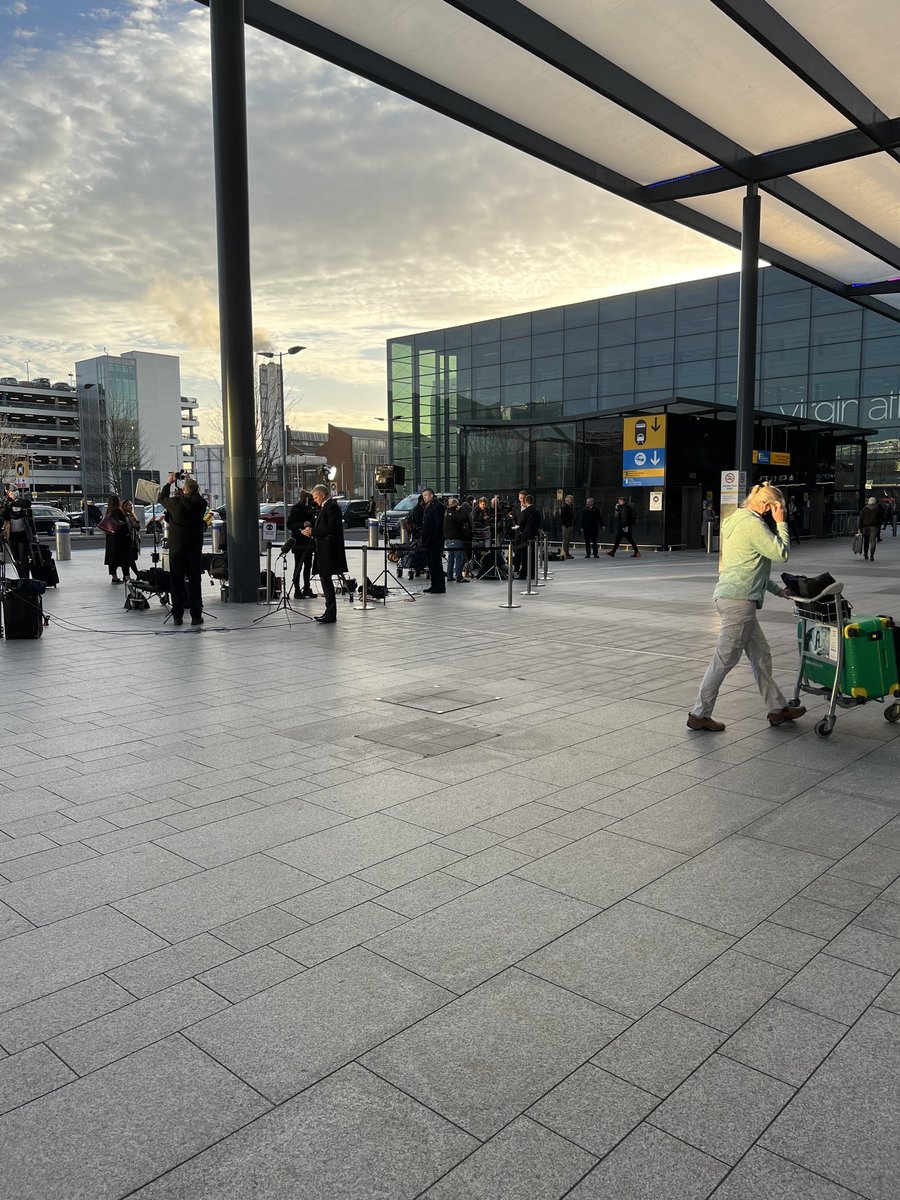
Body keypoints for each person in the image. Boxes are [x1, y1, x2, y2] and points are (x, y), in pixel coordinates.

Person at [687, 482, 805, 732]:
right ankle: (699, 713)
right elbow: (780, 553)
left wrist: (777, 590)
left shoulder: (735, 519)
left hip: (731, 596)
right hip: (739, 602)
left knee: (760, 654)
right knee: (724, 659)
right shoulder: (753, 524)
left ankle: (777, 708)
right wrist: (781, 523)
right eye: (778, 507)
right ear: (767, 505)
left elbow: (749, 564)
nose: (778, 511)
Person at [159, 473, 207, 626]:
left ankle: (177, 616)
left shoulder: (175, 503)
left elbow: (162, 498)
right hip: (194, 548)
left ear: (184, 490)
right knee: (194, 582)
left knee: (176, 582)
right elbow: (195, 498)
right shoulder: (201, 504)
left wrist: (169, 483)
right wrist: (188, 484)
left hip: (177, 548)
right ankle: (196, 615)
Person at [302, 483, 347, 623]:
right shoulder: (326, 507)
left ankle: (331, 613)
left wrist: (312, 532)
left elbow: (330, 529)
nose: (314, 500)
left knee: (326, 582)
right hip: (324, 550)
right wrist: (311, 528)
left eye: (315, 497)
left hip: (329, 550)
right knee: (325, 580)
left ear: (322, 494)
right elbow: (324, 526)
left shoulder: (331, 507)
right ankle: (328, 611)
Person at [2, 485, 36, 579]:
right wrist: (7, 505)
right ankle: (21, 577)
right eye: (8, 492)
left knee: (23, 558)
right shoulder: (7, 504)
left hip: (22, 535)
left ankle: (25, 579)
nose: (10, 493)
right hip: (12, 535)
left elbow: (30, 519)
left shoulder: (24, 503)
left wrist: (34, 533)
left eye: (11, 491)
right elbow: (4, 517)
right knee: (16, 559)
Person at [287, 490, 315, 598]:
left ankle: (307, 588)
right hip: (299, 542)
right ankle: (297, 589)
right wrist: (302, 525)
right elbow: (290, 524)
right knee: (298, 566)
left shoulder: (310, 509)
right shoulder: (297, 508)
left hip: (308, 541)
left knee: (308, 566)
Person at [420, 487, 446, 593]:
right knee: (430, 564)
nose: (424, 498)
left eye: (426, 495)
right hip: (427, 540)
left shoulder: (438, 506)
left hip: (435, 541)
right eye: (423, 496)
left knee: (436, 563)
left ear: (431, 495)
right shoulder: (427, 506)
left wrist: (434, 537)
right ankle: (434, 584)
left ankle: (440, 586)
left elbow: (438, 523)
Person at [102, 495, 131, 584]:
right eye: (118, 500)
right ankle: (126, 576)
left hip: (111, 538)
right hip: (120, 539)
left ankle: (114, 577)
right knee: (124, 558)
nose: (120, 501)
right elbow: (122, 524)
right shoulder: (117, 511)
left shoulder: (108, 511)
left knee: (112, 558)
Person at [444, 497, 471, 583]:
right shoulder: (455, 512)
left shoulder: (447, 512)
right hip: (456, 538)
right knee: (459, 557)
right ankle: (459, 576)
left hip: (448, 538)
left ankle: (449, 575)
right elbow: (464, 518)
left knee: (451, 557)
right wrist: (461, 509)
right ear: (456, 505)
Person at [515, 494, 542, 580]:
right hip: (534, 535)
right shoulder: (537, 512)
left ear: (526, 501)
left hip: (526, 536)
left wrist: (519, 530)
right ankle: (532, 574)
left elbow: (522, 524)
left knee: (525, 555)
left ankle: (523, 574)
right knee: (533, 555)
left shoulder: (525, 512)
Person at [120, 500, 142, 579]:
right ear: (124, 506)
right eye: (129, 505)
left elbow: (137, 526)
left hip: (133, 540)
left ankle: (127, 575)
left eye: (131, 505)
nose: (131, 506)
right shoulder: (123, 516)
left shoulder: (131, 515)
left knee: (131, 559)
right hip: (127, 541)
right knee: (129, 559)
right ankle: (136, 575)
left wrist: (134, 516)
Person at [857, 496, 881, 561]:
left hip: (865, 527)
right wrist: (878, 525)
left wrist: (859, 528)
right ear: (875, 502)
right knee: (873, 542)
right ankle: (872, 555)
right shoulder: (877, 509)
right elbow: (880, 518)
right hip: (874, 527)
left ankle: (866, 554)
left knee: (866, 541)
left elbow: (861, 519)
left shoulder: (864, 509)